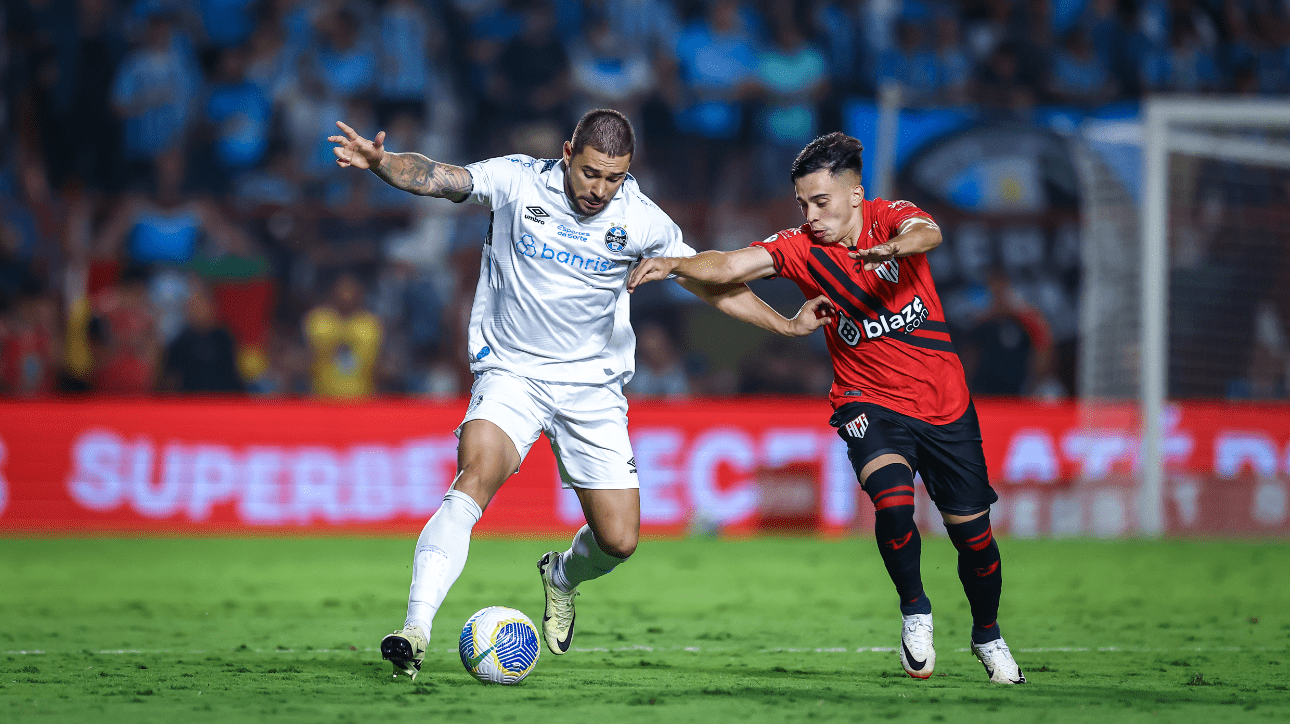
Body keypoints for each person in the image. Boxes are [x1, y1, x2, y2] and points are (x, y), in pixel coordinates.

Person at [329, 108, 832, 680]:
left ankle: (561, 575)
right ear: (568, 153)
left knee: (619, 540)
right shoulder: (518, 181)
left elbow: (710, 283)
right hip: (512, 373)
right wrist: (382, 164)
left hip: (592, 388)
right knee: (476, 475)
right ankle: (415, 630)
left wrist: (785, 325)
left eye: (614, 177)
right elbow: (439, 177)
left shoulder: (641, 219)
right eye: (590, 172)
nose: (599, 189)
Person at [626, 132, 1026, 685]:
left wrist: (893, 250)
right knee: (893, 503)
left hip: (944, 403)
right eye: (803, 205)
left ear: (855, 194)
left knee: (974, 538)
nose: (811, 216)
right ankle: (916, 611)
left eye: (821, 202)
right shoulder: (800, 247)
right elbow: (729, 265)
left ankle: (988, 635)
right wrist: (675, 263)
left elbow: (928, 232)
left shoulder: (891, 219)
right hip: (868, 401)